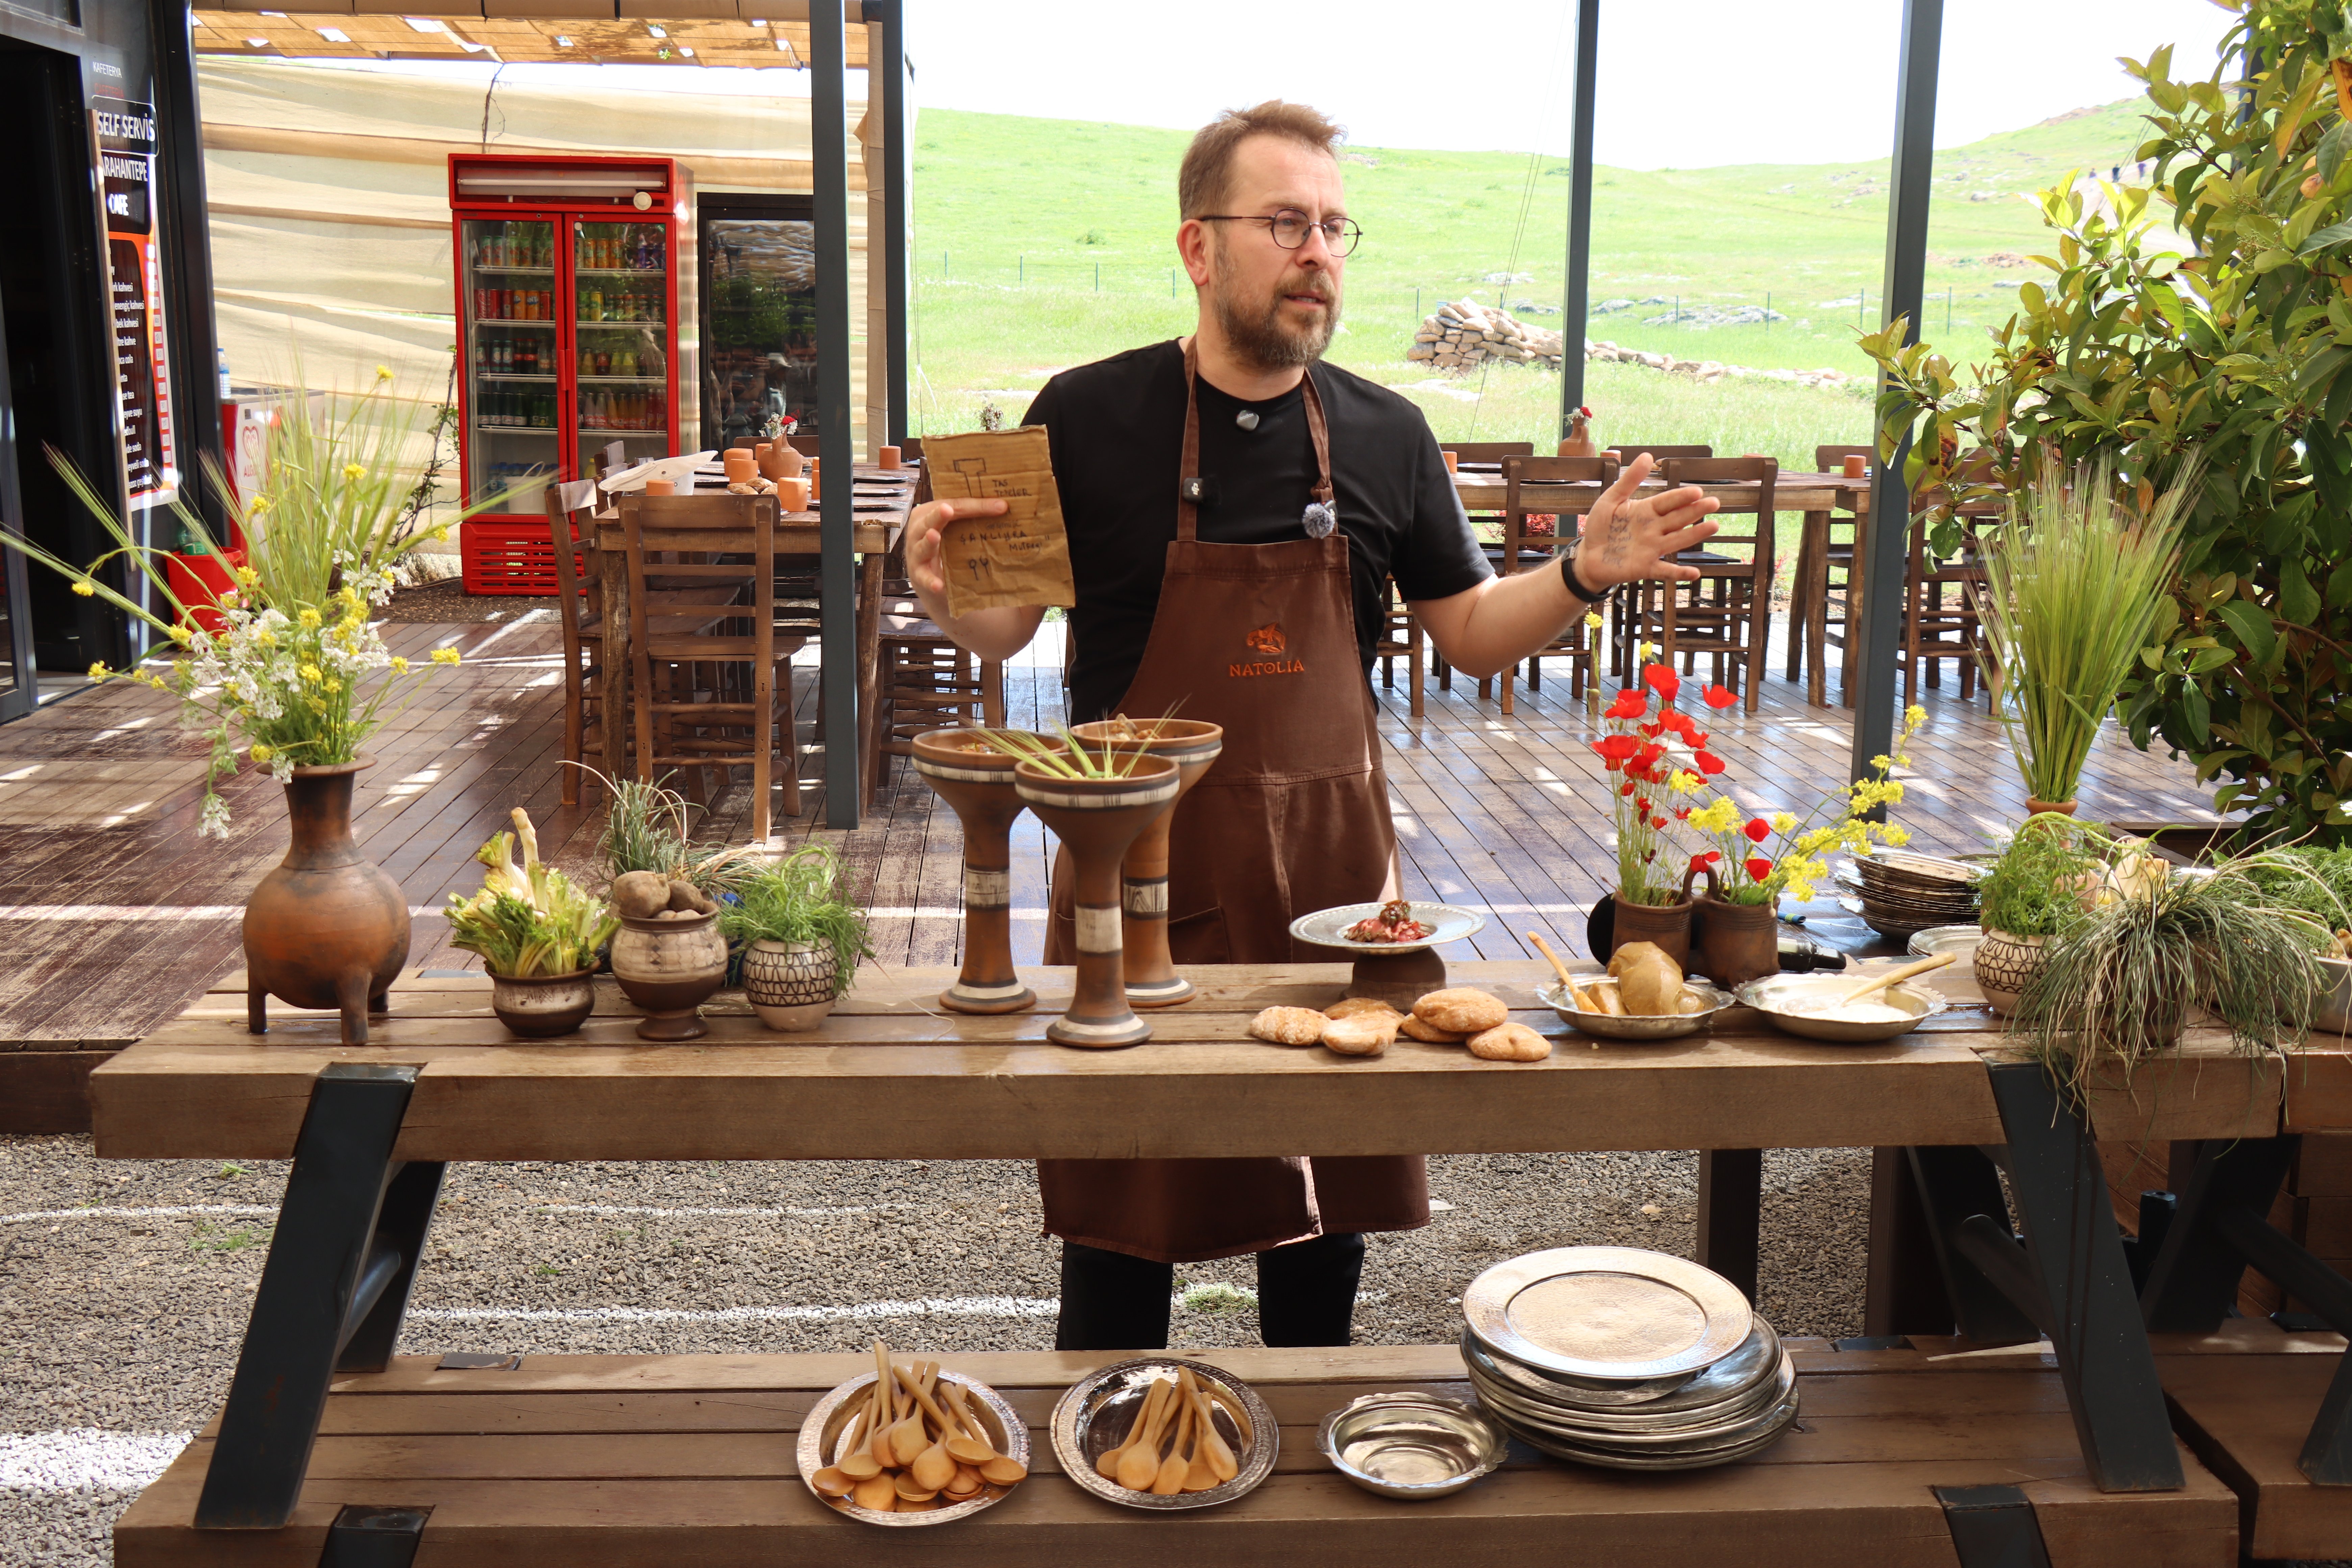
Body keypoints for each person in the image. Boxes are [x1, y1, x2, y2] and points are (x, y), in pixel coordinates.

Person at [902, 101, 1721, 1353]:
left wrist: (1580, 574)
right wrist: (938, 586)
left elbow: (1467, 629)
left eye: (1336, 226)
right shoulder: (1080, 414)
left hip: (1336, 887)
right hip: (1135, 883)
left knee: (1321, 1219)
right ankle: (1108, 1448)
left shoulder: (1389, 433)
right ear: (1199, 247)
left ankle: (1312, 1452)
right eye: (1285, 222)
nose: (1318, 251)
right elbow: (1005, 634)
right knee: (1124, 1211)